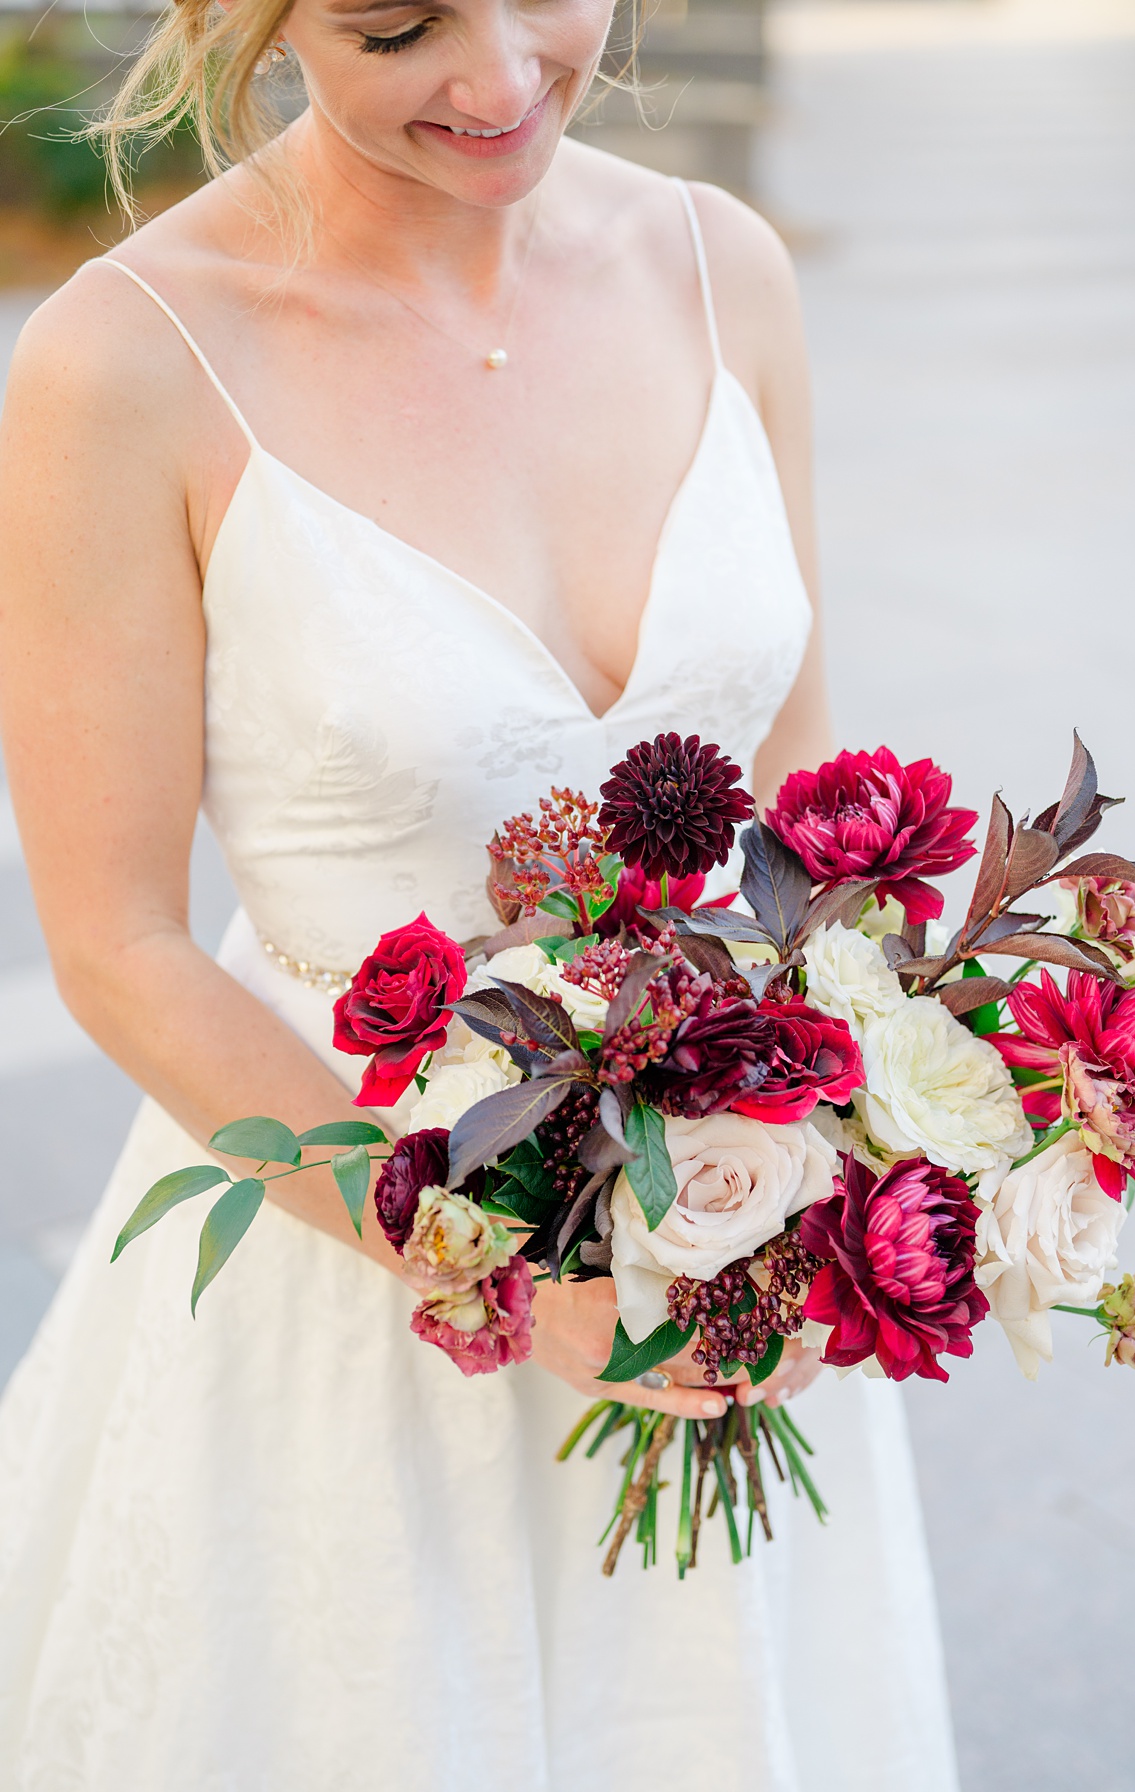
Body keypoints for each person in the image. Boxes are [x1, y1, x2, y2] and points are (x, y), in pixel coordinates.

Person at [0, 0, 953, 1783]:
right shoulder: (118, 366)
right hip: (354, 1288)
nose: (503, 78)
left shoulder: (722, 268)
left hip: (724, 1253)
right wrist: (497, 1259)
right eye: (395, 27)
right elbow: (115, 943)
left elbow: (814, 818)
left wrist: (867, 1164)